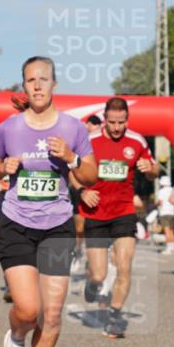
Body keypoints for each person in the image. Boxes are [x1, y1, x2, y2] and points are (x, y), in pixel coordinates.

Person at [0, 56, 96, 347]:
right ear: (24, 87)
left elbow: (91, 175)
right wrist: (2, 166)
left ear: (54, 85)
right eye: (30, 80)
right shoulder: (9, 128)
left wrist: (72, 159)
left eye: (43, 79)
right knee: (28, 309)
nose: (37, 85)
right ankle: (15, 341)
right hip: (17, 223)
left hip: (58, 226)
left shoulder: (73, 129)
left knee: (51, 313)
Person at [77, 97, 159, 338]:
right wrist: (82, 191)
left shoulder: (137, 140)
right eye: (112, 122)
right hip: (96, 212)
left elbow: (154, 171)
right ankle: (92, 283)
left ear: (127, 120)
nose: (116, 127)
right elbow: (73, 172)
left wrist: (150, 169)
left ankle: (114, 316)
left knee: (124, 267)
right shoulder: (90, 140)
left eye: (121, 122)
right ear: (104, 119)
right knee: (99, 274)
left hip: (124, 212)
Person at [71, 114, 102, 273]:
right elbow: (71, 170)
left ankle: (94, 262)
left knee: (94, 229)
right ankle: (77, 252)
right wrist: (80, 189)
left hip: (99, 192)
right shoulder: (82, 140)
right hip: (81, 191)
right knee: (80, 228)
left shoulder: (104, 141)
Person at [155, 175, 174, 255]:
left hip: (164, 212)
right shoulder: (173, 190)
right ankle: (173, 247)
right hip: (172, 212)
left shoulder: (161, 191)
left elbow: (160, 202)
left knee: (167, 231)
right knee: (171, 231)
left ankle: (168, 248)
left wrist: (156, 204)